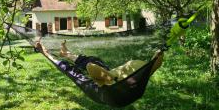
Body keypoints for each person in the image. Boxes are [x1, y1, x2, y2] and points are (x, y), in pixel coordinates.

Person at [35, 40, 164, 87]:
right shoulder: (139, 77)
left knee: (82, 66)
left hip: (109, 78)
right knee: (93, 60)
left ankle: (52, 53)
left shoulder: (119, 83)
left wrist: (153, 62)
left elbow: (94, 70)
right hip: (109, 73)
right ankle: (66, 53)